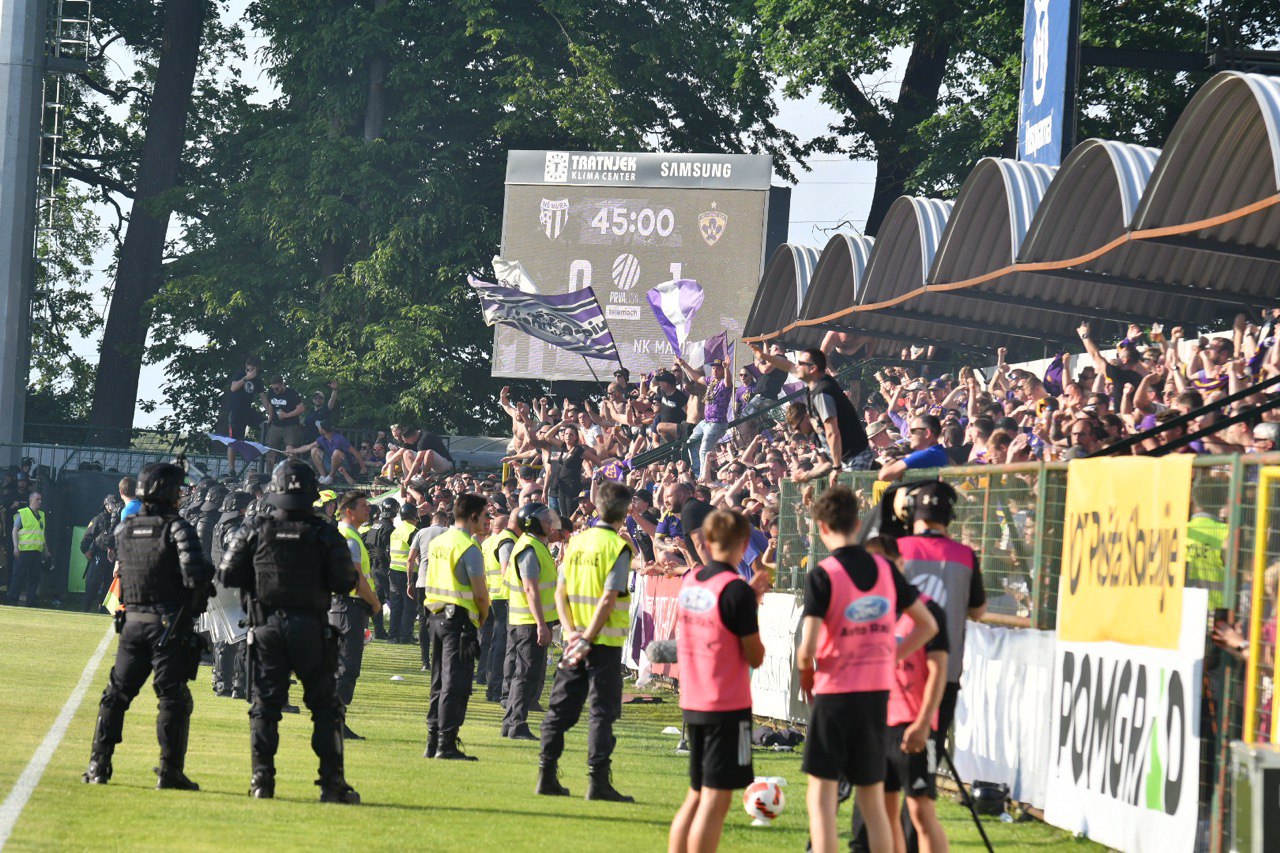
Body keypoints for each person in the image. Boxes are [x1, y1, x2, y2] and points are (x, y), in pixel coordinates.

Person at [798, 486, 938, 853]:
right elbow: (927, 626)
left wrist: (807, 679)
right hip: (875, 698)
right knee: (873, 801)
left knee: (822, 797)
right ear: (859, 524)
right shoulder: (885, 569)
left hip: (834, 695)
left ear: (821, 528)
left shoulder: (824, 574)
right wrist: (890, 655)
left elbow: (806, 649)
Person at [218, 460, 363, 803]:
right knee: (325, 709)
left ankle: (261, 781)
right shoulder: (325, 532)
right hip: (310, 627)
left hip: (266, 626)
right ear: (312, 492)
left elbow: (227, 574)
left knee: (264, 706)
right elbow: (345, 581)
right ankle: (331, 784)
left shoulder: (255, 527)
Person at [82, 463, 215, 790]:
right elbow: (197, 575)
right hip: (167, 623)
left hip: (133, 622)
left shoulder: (127, 529)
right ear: (169, 493)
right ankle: (169, 772)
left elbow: (125, 569)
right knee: (174, 698)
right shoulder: (178, 528)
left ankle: (98, 765)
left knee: (116, 694)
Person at [668, 510, 767, 853]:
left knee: (696, 794)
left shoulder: (692, 581)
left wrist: (747, 597)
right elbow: (754, 656)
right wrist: (748, 600)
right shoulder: (735, 590)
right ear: (744, 544)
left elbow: (717, 617)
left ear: (706, 543)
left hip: (693, 699)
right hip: (725, 703)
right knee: (716, 799)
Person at [537, 480, 635, 802]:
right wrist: (588, 638)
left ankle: (546, 775)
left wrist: (571, 632)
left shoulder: (577, 542)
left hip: (573, 638)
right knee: (601, 713)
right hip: (602, 644)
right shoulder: (617, 547)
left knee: (558, 710)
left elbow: (560, 592)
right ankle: (598, 782)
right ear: (625, 511)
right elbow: (609, 598)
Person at [422, 493, 491, 760]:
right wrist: (482, 617)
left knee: (438, 680)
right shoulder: (468, 547)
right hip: (459, 621)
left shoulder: (441, 541)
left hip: (436, 616)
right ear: (473, 516)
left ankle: (432, 739)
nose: (486, 521)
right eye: (484, 516)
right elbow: (480, 593)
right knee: (456, 682)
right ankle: (446, 744)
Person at [502, 503, 560, 741]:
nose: (551, 523)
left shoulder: (534, 545)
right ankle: (517, 724)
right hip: (528, 623)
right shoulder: (529, 548)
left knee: (523, 674)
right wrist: (541, 624)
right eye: (547, 520)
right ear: (534, 524)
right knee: (526, 675)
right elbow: (530, 589)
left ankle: (511, 723)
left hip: (524, 621)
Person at [331, 491, 382, 740]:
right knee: (346, 666)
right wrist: (375, 603)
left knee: (339, 665)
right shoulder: (349, 538)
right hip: (348, 606)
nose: (368, 510)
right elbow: (356, 578)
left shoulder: (339, 534)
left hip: (337, 606)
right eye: (363, 506)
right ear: (349, 511)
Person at [479, 511, 514, 697]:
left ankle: (485, 676)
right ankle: (496, 684)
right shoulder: (505, 541)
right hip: (503, 595)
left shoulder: (486, 543)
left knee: (490, 641)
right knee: (501, 642)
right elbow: (505, 569)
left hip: (490, 594)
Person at [363, 498, 397, 640]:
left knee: (377, 600)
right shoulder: (390, 529)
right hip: (385, 567)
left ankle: (379, 631)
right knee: (394, 600)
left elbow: (365, 544)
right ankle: (395, 633)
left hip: (373, 568)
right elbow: (390, 550)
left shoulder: (373, 527)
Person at [8, 491, 50, 607]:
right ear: (31, 500)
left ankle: (30, 603)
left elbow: (42, 534)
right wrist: (16, 547)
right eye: (37, 499)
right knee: (18, 576)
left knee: (34, 578)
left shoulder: (41, 515)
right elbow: (14, 530)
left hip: (36, 552)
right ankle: (12, 600)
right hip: (24, 551)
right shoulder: (23, 513)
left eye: (41, 499)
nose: (40, 501)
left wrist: (46, 550)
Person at [81, 494, 121, 612]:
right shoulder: (98, 519)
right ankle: (86, 607)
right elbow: (87, 537)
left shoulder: (119, 519)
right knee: (93, 582)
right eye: (112, 503)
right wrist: (85, 550)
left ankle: (103, 609)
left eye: (116, 503)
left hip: (113, 556)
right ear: (106, 505)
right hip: (99, 554)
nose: (115, 506)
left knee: (109, 584)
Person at [224, 355, 263, 475]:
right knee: (234, 440)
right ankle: (232, 470)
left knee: (264, 424)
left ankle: (260, 456)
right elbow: (233, 388)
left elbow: (263, 398)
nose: (251, 372)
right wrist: (246, 378)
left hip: (248, 411)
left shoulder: (258, 380)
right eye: (249, 369)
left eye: (254, 370)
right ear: (246, 367)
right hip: (236, 411)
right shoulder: (240, 373)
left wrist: (271, 414)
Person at [386, 503, 419, 643]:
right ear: (414, 515)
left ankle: (393, 635)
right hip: (408, 572)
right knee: (410, 606)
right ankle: (406, 636)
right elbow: (416, 556)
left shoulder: (396, 531)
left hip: (393, 571)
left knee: (396, 606)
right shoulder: (414, 531)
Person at [879, 416, 948, 482]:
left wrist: (890, 460)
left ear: (927, 433)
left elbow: (884, 475)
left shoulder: (928, 454)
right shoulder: (939, 452)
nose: (909, 435)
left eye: (912, 431)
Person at [261, 376, 306, 468]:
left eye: (277, 388)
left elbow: (301, 408)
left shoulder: (291, 393)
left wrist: (287, 415)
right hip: (275, 425)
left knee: (291, 450)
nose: (275, 391)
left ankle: (294, 474)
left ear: (282, 384)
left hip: (291, 425)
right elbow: (270, 405)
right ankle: (269, 476)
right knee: (270, 449)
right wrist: (270, 418)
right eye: (273, 388)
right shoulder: (271, 393)